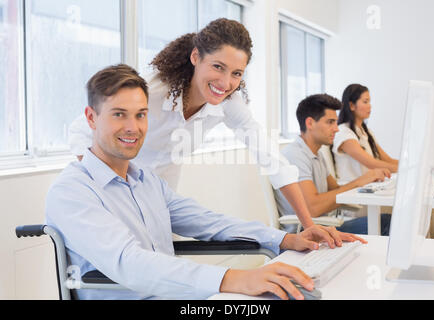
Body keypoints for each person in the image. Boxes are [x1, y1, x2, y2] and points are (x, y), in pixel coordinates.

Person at [46, 64, 366, 300]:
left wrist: (283, 240)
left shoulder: (147, 182)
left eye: (141, 114)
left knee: (290, 296)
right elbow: (129, 263)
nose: (133, 127)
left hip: (181, 300)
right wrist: (232, 278)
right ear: (91, 118)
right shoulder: (72, 192)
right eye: (119, 114)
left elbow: (210, 222)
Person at [68, 18, 330, 231]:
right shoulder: (153, 90)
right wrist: (108, 190)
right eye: (218, 66)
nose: (226, 83)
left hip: (160, 199)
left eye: (236, 73)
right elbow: (80, 130)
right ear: (196, 57)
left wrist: (308, 225)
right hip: (112, 193)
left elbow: (273, 160)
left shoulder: (229, 103)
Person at [274, 94, 391, 235]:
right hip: (307, 233)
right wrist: (360, 181)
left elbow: (335, 190)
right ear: (310, 123)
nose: (336, 129)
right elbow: (313, 208)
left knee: (385, 221)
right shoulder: (295, 155)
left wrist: (367, 183)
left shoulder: (317, 153)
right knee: (386, 222)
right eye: (330, 122)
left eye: (335, 122)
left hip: (324, 228)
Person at [332, 84, 399, 184]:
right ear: (351, 106)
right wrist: (405, 170)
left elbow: (387, 159)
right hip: (351, 191)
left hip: (367, 187)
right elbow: (371, 163)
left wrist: (411, 166)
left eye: (369, 102)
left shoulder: (365, 131)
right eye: (365, 102)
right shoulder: (343, 132)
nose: (370, 106)